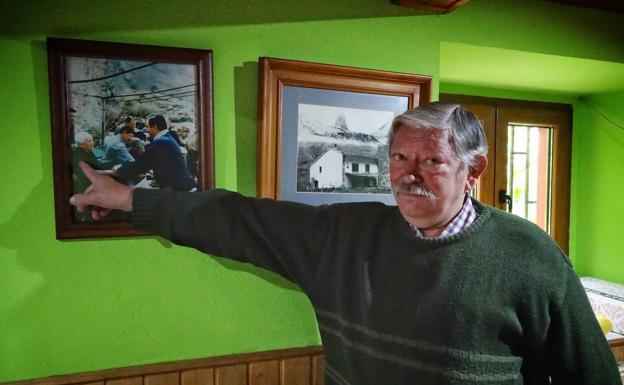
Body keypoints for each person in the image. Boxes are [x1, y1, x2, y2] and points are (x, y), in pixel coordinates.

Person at [69, 102, 620, 385]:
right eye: (400, 159)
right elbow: (236, 219)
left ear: (472, 169)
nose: (410, 175)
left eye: (431, 160)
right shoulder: (344, 234)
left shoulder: (530, 254)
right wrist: (128, 201)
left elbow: (588, 376)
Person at [115, 114, 196, 191]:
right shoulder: (167, 137)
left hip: (178, 189)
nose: (147, 130)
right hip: (179, 185)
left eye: (148, 127)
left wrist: (119, 169)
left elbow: (141, 165)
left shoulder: (161, 142)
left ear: (155, 126)